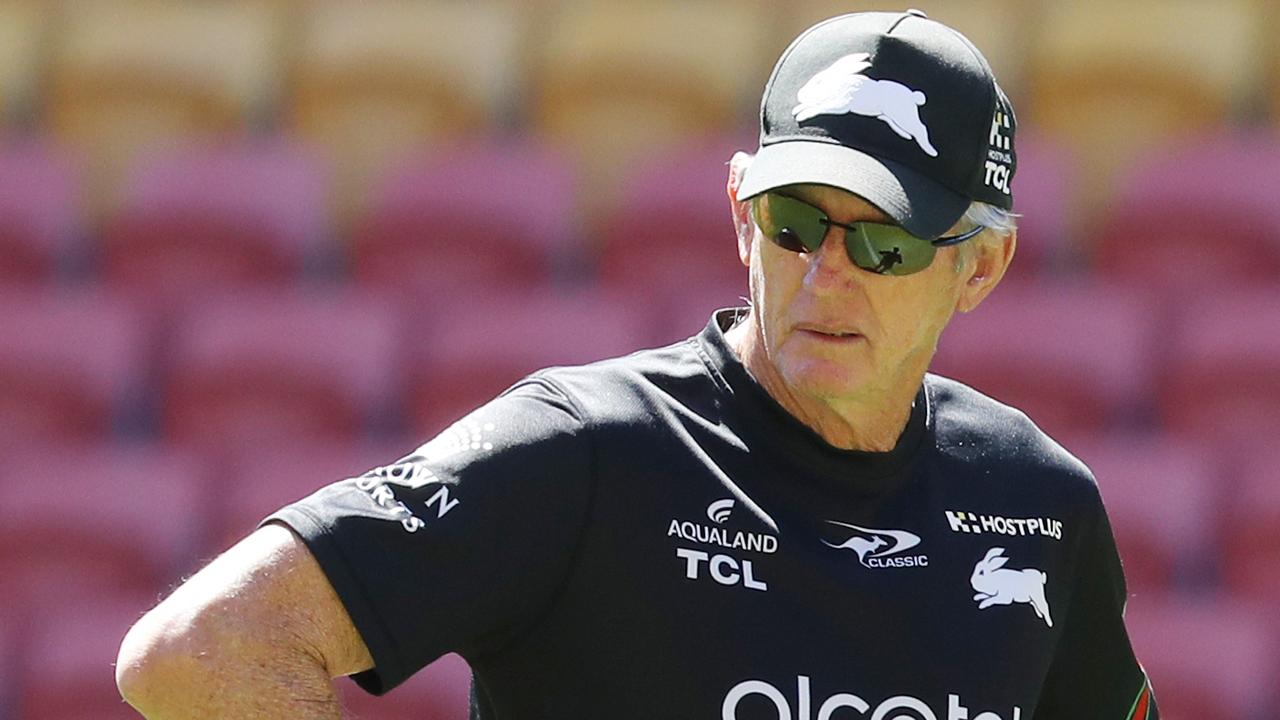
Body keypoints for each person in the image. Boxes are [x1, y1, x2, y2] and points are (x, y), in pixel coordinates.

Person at [116, 10, 1158, 720]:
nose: (823, 273)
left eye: (881, 243)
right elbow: (202, 652)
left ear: (979, 267)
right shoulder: (582, 453)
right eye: (793, 223)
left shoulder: (1036, 502)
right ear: (740, 218)